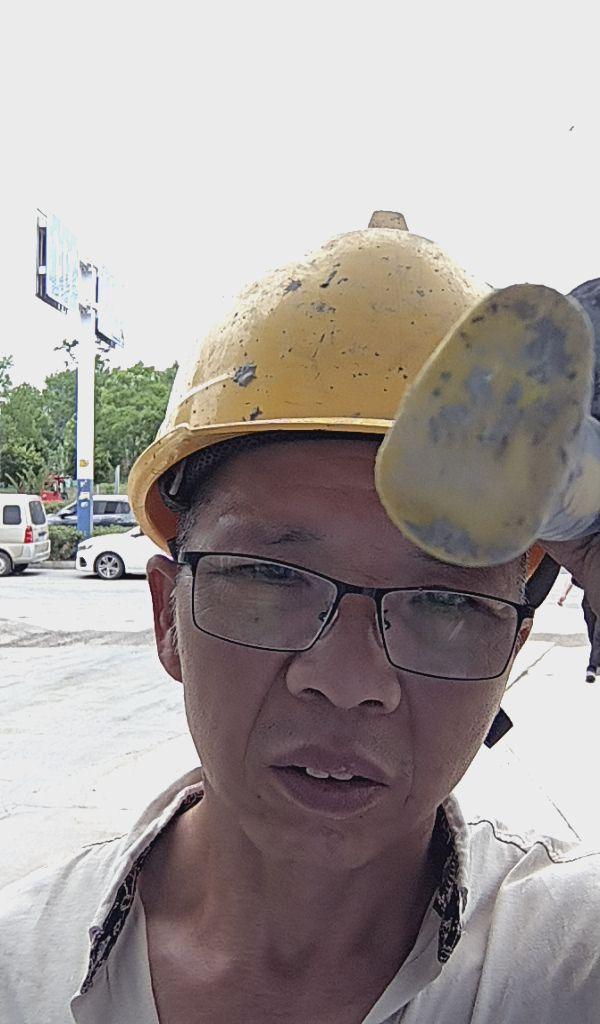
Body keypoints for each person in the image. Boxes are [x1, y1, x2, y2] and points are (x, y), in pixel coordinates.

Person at [2, 219, 600, 1023]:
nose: (350, 683)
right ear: (167, 616)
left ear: (511, 652)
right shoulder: (20, 974)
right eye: (273, 577)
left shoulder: (566, 964)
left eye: (445, 602)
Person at [558, 575, 600, 682]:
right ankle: (597, 661)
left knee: (597, 635)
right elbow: (573, 576)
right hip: (589, 604)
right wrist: (564, 594)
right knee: (592, 634)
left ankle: (592, 667)